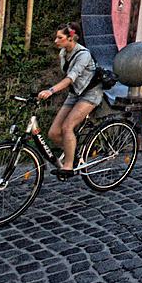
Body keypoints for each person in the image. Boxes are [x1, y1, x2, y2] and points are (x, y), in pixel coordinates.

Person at [38, 22, 104, 178]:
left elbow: (70, 78)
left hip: (90, 93)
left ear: (70, 39)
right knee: (54, 133)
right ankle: (71, 153)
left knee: (67, 126)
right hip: (76, 92)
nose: (56, 40)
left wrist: (51, 90)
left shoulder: (83, 55)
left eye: (59, 37)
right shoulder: (63, 53)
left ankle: (68, 167)